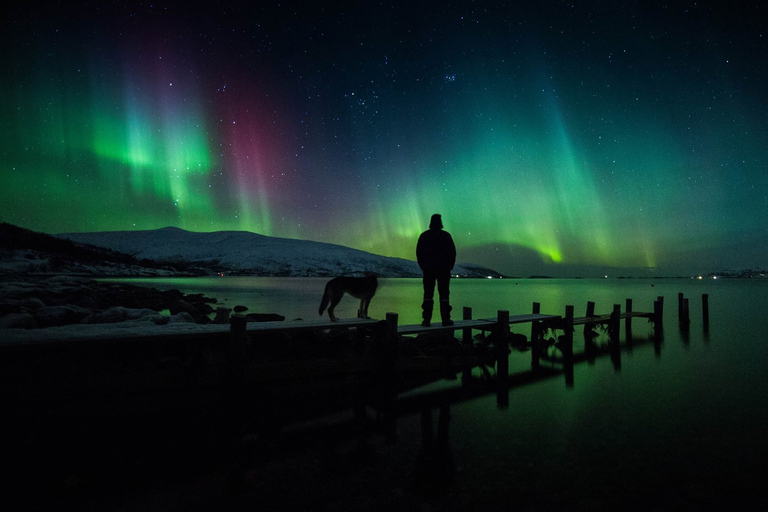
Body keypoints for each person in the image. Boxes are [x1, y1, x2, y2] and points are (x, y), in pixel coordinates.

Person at [416, 214, 456, 326]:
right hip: (443, 270)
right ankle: (445, 319)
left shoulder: (424, 236)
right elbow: (452, 252)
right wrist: (449, 266)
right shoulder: (446, 236)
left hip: (429, 270)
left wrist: (424, 266)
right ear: (440, 223)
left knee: (428, 294)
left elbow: (419, 253)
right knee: (444, 295)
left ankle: (426, 320)